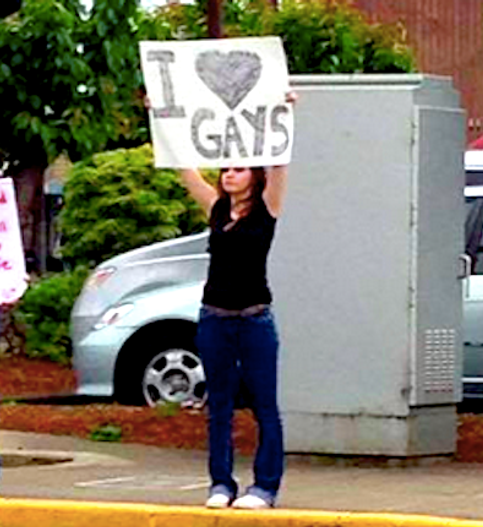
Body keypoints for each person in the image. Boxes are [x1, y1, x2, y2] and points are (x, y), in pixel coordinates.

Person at [175, 94, 294, 510]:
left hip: (254, 319)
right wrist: (161, 114)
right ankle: (220, 484)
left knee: (264, 404)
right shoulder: (215, 209)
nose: (229, 174)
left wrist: (285, 113)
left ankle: (265, 487)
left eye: (238, 168)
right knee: (219, 406)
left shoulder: (267, 209)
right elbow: (185, 171)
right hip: (214, 319)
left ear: (254, 176)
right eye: (225, 168)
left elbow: (280, 166)